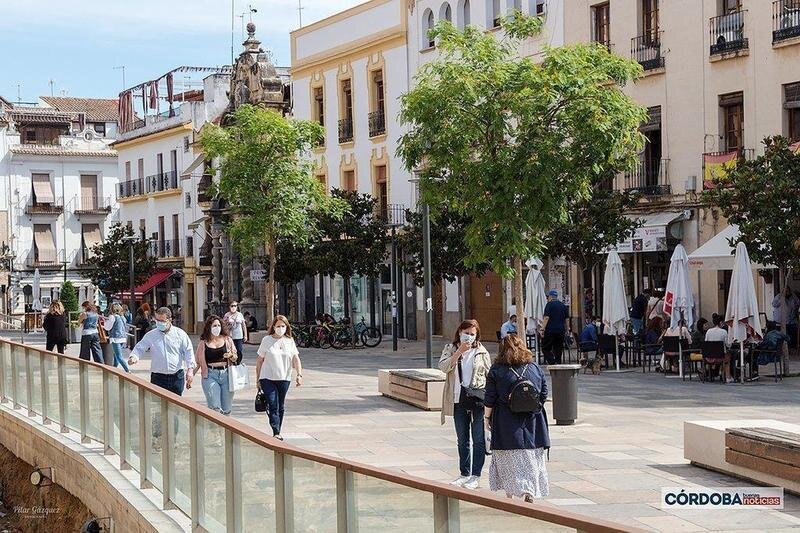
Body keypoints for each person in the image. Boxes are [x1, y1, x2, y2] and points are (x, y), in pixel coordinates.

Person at [484, 334, 550, 502]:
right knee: (531, 456)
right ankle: (529, 490)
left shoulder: (497, 370)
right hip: (533, 421)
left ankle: (510, 494)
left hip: (505, 421)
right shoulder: (534, 367)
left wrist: (486, 418)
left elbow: (490, 398)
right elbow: (543, 392)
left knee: (508, 457)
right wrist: (535, 406)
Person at [438, 319, 491, 490]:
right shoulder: (451, 348)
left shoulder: (482, 352)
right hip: (458, 399)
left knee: (478, 439)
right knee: (462, 439)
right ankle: (464, 473)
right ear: (459, 332)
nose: (468, 336)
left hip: (477, 400)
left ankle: (475, 475)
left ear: (477, 335)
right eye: (465, 332)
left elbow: (490, 377)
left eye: (472, 334)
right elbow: (443, 367)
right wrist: (459, 352)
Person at [128, 307, 196, 395]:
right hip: (158, 377)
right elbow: (140, 347)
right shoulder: (151, 335)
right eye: (157, 320)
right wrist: (134, 357)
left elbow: (188, 351)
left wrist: (190, 370)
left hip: (176, 377)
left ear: (170, 320)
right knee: (158, 405)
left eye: (162, 321)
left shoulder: (180, 334)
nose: (159, 323)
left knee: (175, 406)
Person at [255, 315, 302, 440]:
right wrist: (258, 379)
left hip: (284, 377)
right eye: (278, 326)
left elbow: (296, 358)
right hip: (267, 377)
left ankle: (278, 429)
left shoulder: (289, 340)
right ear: (273, 327)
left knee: (280, 405)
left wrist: (299, 374)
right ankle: (275, 431)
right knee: (273, 403)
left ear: (286, 327)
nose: (280, 328)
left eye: (283, 326)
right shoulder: (267, 340)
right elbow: (259, 360)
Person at [195, 315, 238, 415]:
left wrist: (231, 355)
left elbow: (235, 357)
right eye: (214, 326)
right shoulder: (203, 342)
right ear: (209, 327)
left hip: (227, 375)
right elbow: (197, 361)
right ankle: (215, 430)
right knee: (215, 407)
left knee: (227, 408)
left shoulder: (227, 339)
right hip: (210, 375)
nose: (217, 328)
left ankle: (225, 429)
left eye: (219, 325)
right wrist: (190, 375)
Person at [539, 291, 568, 365]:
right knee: (558, 348)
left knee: (545, 348)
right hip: (561, 331)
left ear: (550, 297)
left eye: (548, 297)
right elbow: (566, 319)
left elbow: (546, 318)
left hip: (550, 331)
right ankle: (558, 363)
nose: (547, 298)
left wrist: (542, 329)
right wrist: (567, 329)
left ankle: (552, 362)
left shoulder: (549, 305)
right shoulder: (563, 305)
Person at [704, 313, 734, 383]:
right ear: (721, 322)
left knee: (724, 355)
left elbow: (706, 343)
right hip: (720, 357)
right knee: (728, 358)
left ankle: (716, 373)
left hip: (709, 357)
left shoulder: (708, 331)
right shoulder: (724, 332)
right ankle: (728, 377)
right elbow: (728, 345)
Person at [103, 303, 130, 372]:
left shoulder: (112, 317)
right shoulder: (122, 317)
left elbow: (107, 328)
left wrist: (105, 322)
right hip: (123, 337)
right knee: (116, 355)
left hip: (116, 338)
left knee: (119, 356)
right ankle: (114, 369)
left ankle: (128, 371)